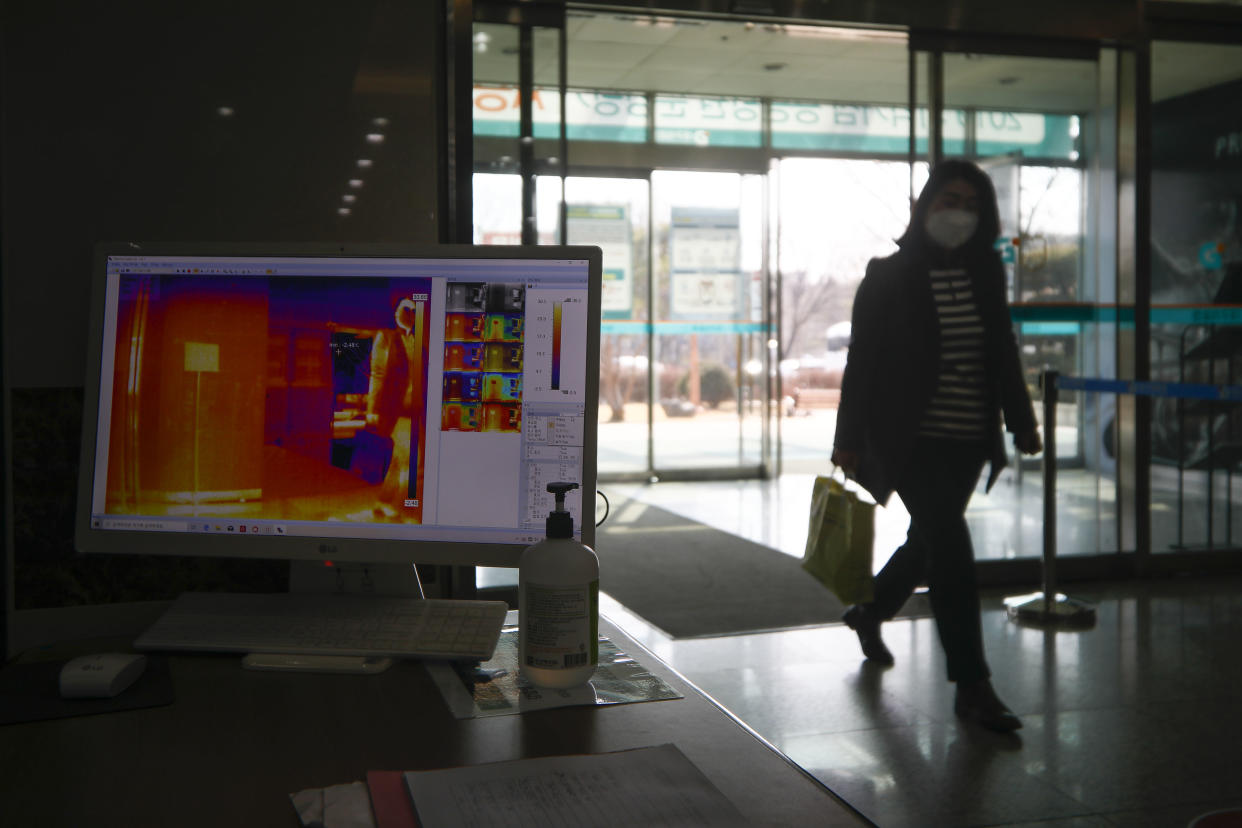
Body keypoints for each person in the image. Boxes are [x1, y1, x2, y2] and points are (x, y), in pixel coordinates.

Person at [831, 159, 1042, 733]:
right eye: (950, 199)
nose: (960, 213)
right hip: (910, 441)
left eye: (973, 205)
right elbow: (862, 362)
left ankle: (870, 611)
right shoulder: (889, 275)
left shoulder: (985, 276)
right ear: (926, 204)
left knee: (929, 541)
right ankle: (972, 685)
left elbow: (1002, 353)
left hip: (968, 439)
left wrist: (1022, 421)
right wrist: (847, 438)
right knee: (952, 546)